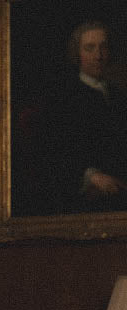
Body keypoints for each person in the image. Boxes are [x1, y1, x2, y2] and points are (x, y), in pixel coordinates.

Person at [49, 20, 127, 213]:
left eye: (103, 47)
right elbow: (57, 152)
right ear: (78, 54)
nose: (98, 56)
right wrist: (91, 176)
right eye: (89, 48)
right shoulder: (65, 97)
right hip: (83, 194)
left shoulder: (118, 95)